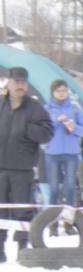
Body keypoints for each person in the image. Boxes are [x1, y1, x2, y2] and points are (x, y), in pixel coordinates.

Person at [0, 66, 53, 259]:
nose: (20, 86)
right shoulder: (1, 104)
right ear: (9, 82)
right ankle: (0, 249)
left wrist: (27, 129)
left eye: (23, 82)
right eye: (17, 82)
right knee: (1, 210)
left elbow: (47, 133)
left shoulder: (34, 107)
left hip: (22, 169)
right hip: (1, 168)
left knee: (22, 209)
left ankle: (22, 246)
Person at [44, 78, 83, 207]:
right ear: (52, 92)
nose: (62, 93)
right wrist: (56, 120)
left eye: (64, 90)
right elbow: (43, 130)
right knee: (54, 189)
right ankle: (52, 218)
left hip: (71, 153)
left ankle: (69, 218)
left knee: (70, 188)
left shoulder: (74, 109)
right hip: (52, 153)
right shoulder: (47, 109)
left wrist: (74, 127)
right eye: (58, 91)